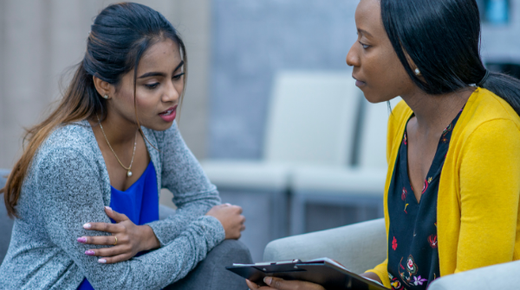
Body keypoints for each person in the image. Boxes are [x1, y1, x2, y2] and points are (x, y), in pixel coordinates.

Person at [247, 0, 520, 289]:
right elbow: (404, 269)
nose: (351, 56)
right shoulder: (402, 119)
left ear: (416, 53)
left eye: (365, 44)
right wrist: (349, 283)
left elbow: (473, 285)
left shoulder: (490, 134)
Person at [0, 2, 252, 289]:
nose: (171, 94)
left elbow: (204, 201)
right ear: (105, 85)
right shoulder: (68, 156)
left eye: (177, 76)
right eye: (152, 84)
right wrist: (209, 230)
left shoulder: (155, 126)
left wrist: (148, 235)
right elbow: (117, 283)